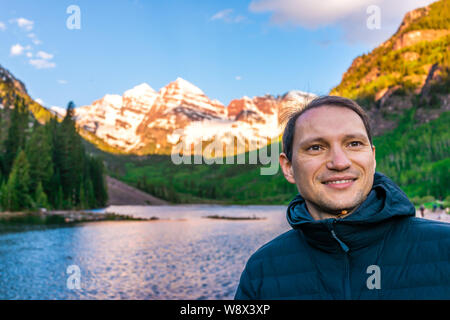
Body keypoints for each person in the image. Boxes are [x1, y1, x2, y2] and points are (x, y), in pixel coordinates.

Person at [235, 96, 450, 300]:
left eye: (354, 144)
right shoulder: (262, 271)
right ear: (288, 168)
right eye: (316, 147)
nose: (339, 162)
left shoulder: (444, 247)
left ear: (372, 159)